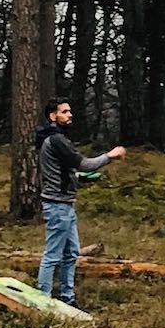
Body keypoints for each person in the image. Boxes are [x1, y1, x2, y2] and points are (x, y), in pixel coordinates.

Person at [35, 97, 126, 306]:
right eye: (65, 112)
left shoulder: (57, 139)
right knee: (52, 255)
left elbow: (67, 170)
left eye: (69, 111)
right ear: (53, 116)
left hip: (65, 204)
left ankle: (68, 298)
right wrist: (110, 156)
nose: (70, 115)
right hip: (57, 205)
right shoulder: (56, 140)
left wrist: (80, 179)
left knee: (71, 253)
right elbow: (83, 164)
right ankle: (43, 300)